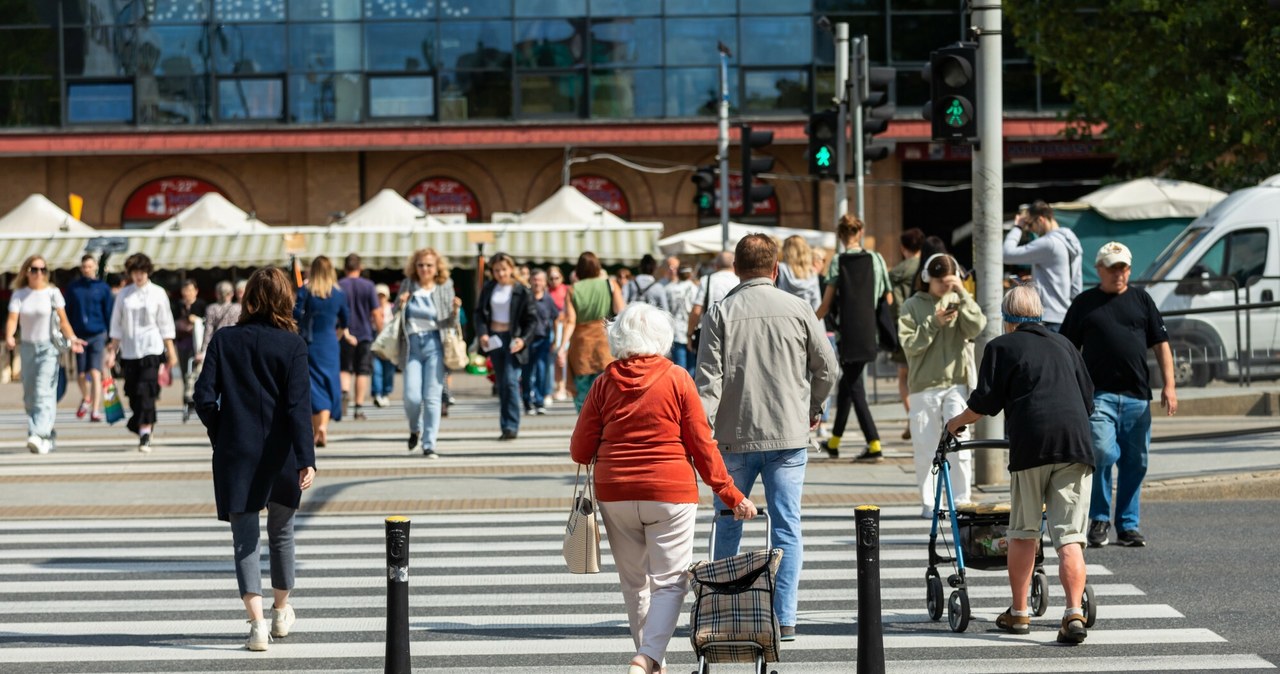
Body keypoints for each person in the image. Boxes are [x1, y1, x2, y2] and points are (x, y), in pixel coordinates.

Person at [571, 302, 757, 674]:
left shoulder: (604, 383)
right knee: (670, 584)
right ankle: (647, 658)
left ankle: (652, 662)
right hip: (670, 493)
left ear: (618, 337)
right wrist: (731, 494)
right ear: (662, 338)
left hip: (616, 492)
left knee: (634, 585)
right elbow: (703, 446)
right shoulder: (677, 379)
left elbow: (579, 449)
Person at [696, 234, 840, 642]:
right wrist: (813, 408)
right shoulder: (798, 308)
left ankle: (724, 609)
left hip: (733, 437)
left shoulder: (720, 313)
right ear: (775, 269)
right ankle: (784, 618)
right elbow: (827, 368)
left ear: (736, 271)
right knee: (786, 525)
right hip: (788, 435)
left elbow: (708, 381)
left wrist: (700, 434)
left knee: (727, 522)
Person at [945, 283, 1096, 645]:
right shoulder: (1064, 345)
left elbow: (984, 404)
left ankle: (1019, 612)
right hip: (1076, 445)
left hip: (1032, 446)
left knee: (1024, 532)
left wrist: (954, 424)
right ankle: (1074, 611)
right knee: (1069, 537)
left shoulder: (1001, 346)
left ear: (1007, 319)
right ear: (1039, 314)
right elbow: (1088, 399)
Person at [193, 266, 317, 653]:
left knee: (244, 538)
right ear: (285, 301)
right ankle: (281, 611)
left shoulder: (225, 340)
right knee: (282, 534)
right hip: (282, 451)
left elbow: (203, 396)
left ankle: (257, 623)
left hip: (237, 450)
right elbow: (299, 406)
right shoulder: (292, 344)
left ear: (248, 299)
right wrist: (306, 457)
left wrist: (221, 432)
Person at [1061, 241, 1176, 548]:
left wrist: (1170, 385)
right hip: (1099, 396)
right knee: (1101, 453)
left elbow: (1161, 343)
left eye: (1123, 267)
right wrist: (1070, 389)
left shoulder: (1142, 300)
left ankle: (1127, 525)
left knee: (1136, 462)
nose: (1118, 274)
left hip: (1138, 397)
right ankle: (1099, 518)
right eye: (1112, 268)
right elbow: (1067, 349)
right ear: (1099, 269)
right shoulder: (1085, 303)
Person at [898, 253, 986, 517]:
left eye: (949, 281)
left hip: (956, 383)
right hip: (924, 386)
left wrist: (962, 292)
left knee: (960, 445)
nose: (945, 287)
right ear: (927, 278)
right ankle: (930, 502)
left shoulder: (957, 299)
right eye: (940, 282)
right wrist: (933, 323)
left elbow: (977, 327)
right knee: (925, 446)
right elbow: (910, 346)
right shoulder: (911, 305)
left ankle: (961, 499)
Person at [815, 215, 892, 461]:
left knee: (855, 388)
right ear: (861, 232)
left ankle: (874, 443)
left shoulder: (838, 262)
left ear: (840, 235)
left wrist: (808, 322)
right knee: (848, 385)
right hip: (870, 331)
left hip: (847, 334)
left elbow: (826, 304)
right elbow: (887, 298)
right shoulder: (877, 259)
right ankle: (835, 443)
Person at [5, 255, 84, 454]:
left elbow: (63, 321)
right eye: (34, 269)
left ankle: (38, 434)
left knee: (43, 391)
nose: (39, 273)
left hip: (48, 348)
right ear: (26, 271)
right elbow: (13, 319)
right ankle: (47, 434)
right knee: (30, 395)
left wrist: (73, 339)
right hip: (27, 348)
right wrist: (9, 336)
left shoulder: (53, 293)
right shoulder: (19, 294)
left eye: (43, 270)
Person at [105, 253, 177, 453]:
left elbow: (166, 323)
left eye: (142, 272)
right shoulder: (124, 294)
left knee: (147, 391)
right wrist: (112, 351)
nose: (138, 276)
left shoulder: (158, 293)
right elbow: (116, 325)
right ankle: (140, 423)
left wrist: (170, 350)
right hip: (129, 350)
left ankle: (145, 432)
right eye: (135, 272)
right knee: (133, 392)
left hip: (152, 348)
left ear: (148, 272)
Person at [398, 248, 460, 458]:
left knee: (432, 397)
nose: (425, 269)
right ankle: (415, 428)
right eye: (421, 265)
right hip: (412, 345)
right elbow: (395, 315)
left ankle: (429, 443)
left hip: (436, 344)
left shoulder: (445, 286)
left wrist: (455, 311)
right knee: (411, 397)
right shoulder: (408, 285)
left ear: (437, 268)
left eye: (429, 265)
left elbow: (451, 323)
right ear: (415, 267)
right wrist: (400, 305)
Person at [475, 252, 537, 441]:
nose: (501, 273)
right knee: (501, 383)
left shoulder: (521, 290)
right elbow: (479, 313)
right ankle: (505, 425)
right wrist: (483, 333)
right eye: (496, 270)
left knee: (510, 382)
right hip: (494, 339)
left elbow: (531, 319)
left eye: (504, 269)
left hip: (513, 339)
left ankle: (511, 426)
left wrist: (523, 340)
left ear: (511, 269)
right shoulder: (489, 288)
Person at [295, 255, 351, 448]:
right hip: (330, 342)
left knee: (312, 385)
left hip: (310, 342)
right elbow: (345, 319)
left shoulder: (306, 290)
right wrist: (339, 334)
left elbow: (296, 313)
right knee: (329, 382)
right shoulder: (338, 293)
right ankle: (324, 427)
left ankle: (315, 428)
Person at [559, 252, 625, 411]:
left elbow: (570, 321)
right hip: (605, 346)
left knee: (584, 398)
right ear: (598, 266)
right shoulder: (610, 284)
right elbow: (622, 311)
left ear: (578, 270)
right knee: (607, 395)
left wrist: (561, 347)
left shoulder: (573, 289)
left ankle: (587, 431)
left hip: (581, 349)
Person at [1004, 200, 1084, 331]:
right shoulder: (1072, 242)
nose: (1029, 229)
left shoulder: (1048, 243)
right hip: (1066, 316)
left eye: (1029, 224)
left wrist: (1018, 226)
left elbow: (1007, 255)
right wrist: (1037, 280)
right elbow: (1074, 283)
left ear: (1040, 220)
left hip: (1048, 318)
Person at [65, 254, 113, 423]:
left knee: (95, 372)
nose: (87, 269)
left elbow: (109, 312)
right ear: (81, 268)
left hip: (98, 333)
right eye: (84, 266)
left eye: (90, 266)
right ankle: (86, 398)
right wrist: (69, 335)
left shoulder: (102, 288)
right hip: (79, 336)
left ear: (95, 267)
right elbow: (67, 313)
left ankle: (95, 410)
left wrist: (110, 339)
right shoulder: (73, 288)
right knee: (80, 374)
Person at [889, 228, 925, 440]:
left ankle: (912, 417)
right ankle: (918, 418)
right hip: (927, 325)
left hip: (904, 327)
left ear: (903, 248)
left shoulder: (897, 271)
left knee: (903, 376)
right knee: (920, 374)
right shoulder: (927, 267)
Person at [338, 253, 379, 420]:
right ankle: (359, 407)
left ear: (345, 268)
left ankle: (345, 392)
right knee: (362, 370)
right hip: (364, 333)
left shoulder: (339, 285)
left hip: (344, 332)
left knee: (344, 368)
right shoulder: (368, 286)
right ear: (360, 268)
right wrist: (381, 330)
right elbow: (376, 312)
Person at [522, 269, 558, 416]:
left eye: (540, 280)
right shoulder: (525, 297)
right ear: (530, 281)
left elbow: (554, 318)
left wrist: (555, 339)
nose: (537, 283)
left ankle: (539, 401)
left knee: (542, 371)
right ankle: (526, 401)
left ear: (545, 282)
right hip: (526, 340)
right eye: (535, 279)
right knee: (526, 372)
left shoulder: (548, 299)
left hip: (543, 339)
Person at [171, 279, 207, 420]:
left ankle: (194, 399)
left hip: (196, 343)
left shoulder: (201, 304)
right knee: (185, 373)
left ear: (196, 291)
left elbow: (206, 322)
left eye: (191, 290)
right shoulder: (178, 305)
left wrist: (196, 320)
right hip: (182, 343)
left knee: (194, 373)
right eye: (186, 290)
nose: (188, 293)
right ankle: (187, 400)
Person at [685, 251, 737, 345]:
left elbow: (697, 311)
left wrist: (689, 334)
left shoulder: (707, 280)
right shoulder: (739, 280)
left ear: (716, 265)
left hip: (711, 334)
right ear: (734, 265)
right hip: (734, 333)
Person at [664, 266, 699, 376]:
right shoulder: (695, 288)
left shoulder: (668, 288)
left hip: (676, 330)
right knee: (692, 365)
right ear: (690, 274)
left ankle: (681, 391)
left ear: (678, 274)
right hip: (692, 330)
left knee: (679, 367)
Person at [200, 281, 242, 369]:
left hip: (216, 345)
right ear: (231, 294)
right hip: (234, 346)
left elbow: (208, 331)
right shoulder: (238, 308)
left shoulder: (211, 308)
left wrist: (204, 350)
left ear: (216, 294)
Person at [546, 265, 571, 403]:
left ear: (562, 277)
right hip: (550, 327)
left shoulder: (567, 290)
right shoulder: (546, 292)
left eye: (557, 277)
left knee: (563, 358)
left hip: (565, 326)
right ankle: (555, 386)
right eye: (551, 278)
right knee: (553, 358)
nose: (554, 280)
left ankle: (563, 386)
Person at [776, 235, 821, 310]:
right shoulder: (812, 273)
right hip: (805, 317)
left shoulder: (781, 268)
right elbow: (816, 303)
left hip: (784, 315)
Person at [371, 283, 395, 408]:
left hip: (389, 341)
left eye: (382, 295)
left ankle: (386, 392)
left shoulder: (392, 308)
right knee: (376, 369)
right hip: (375, 340)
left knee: (389, 369)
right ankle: (377, 393)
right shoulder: (371, 309)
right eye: (378, 295)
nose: (380, 298)